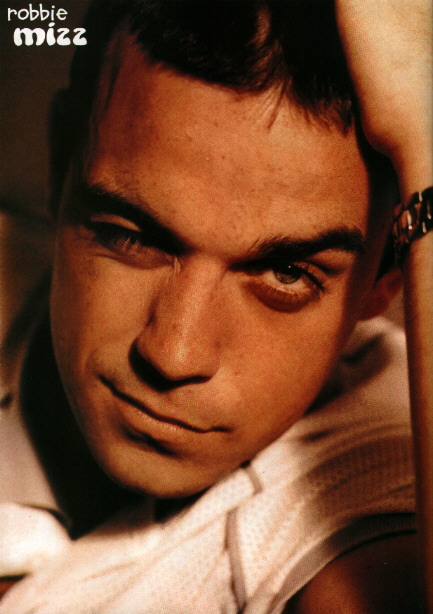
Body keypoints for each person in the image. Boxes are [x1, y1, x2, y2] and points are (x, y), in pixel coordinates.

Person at [0, 0, 431, 612]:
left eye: (287, 274)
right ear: (59, 165)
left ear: (388, 276)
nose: (173, 355)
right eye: (131, 235)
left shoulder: (373, 469)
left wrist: (427, 146)